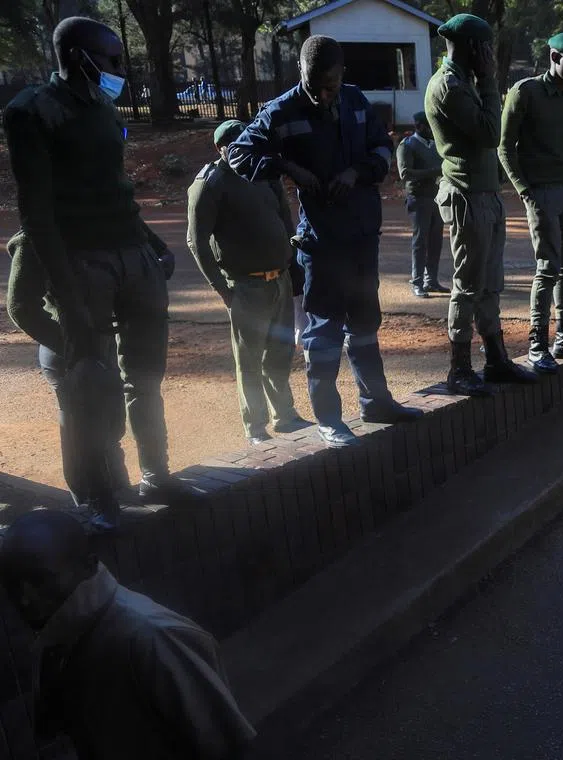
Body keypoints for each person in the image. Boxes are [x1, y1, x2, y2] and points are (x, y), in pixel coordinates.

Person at [4, 16, 192, 507]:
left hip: (132, 256)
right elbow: (36, 210)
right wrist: (67, 300)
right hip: (82, 261)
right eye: (109, 59)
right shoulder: (32, 111)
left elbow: (115, 188)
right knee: (92, 386)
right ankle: (100, 497)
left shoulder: (105, 106)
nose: (117, 68)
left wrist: (152, 244)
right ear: (75, 56)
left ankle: (157, 474)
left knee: (146, 378)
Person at [228, 35, 422, 448]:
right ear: (302, 73)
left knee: (366, 325)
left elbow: (382, 148)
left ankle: (376, 402)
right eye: (313, 84)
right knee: (323, 332)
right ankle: (329, 419)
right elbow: (239, 154)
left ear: (342, 76)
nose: (322, 94)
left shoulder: (355, 101)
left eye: (330, 85)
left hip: (362, 235)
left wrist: (356, 173)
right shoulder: (281, 111)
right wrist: (287, 167)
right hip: (322, 243)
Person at [0, 509, 256, 759]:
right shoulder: (60, 634)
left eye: (40, 580)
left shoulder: (151, 636)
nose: (25, 600)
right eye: (13, 585)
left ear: (88, 566)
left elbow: (227, 744)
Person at [424, 13, 538, 396]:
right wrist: (490, 80)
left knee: (490, 284)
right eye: (486, 48)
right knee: (468, 285)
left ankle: (495, 359)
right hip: (466, 198)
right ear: (474, 48)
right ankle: (459, 368)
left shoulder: (465, 83)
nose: (490, 56)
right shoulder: (449, 87)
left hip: (484, 196)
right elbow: (492, 133)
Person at [186, 119, 312, 446]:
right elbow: (196, 242)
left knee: (281, 353)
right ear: (220, 148)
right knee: (250, 360)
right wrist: (224, 291)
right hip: (246, 286)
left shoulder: (263, 174)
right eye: (234, 144)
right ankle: (256, 427)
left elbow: (286, 223)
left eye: (246, 140)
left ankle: (285, 416)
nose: (242, 148)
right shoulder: (211, 184)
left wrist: (293, 271)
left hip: (279, 281)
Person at [7, 229, 130, 527]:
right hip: (66, 350)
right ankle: (89, 506)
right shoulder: (38, 234)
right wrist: (72, 346)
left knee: (112, 426)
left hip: (103, 342)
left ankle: (121, 496)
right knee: (81, 435)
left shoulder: (98, 223)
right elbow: (20, 307)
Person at [500, 32, 563, 374]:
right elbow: (505, 147)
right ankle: (538, 343)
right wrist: (524, 189)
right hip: (542, 192)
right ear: (555, 57)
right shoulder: (525, 92)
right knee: (547, 268)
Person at [397, 111, 447, 299]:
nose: (434, 130)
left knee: (436, 241)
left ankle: (431, 280)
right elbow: (405, 173)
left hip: (436, 198)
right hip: (419, 199)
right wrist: (434, 172)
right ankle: (417, 282)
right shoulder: (407, 146)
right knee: (420, 241)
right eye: (430, 126)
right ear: (419, 126)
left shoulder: (436, 145)